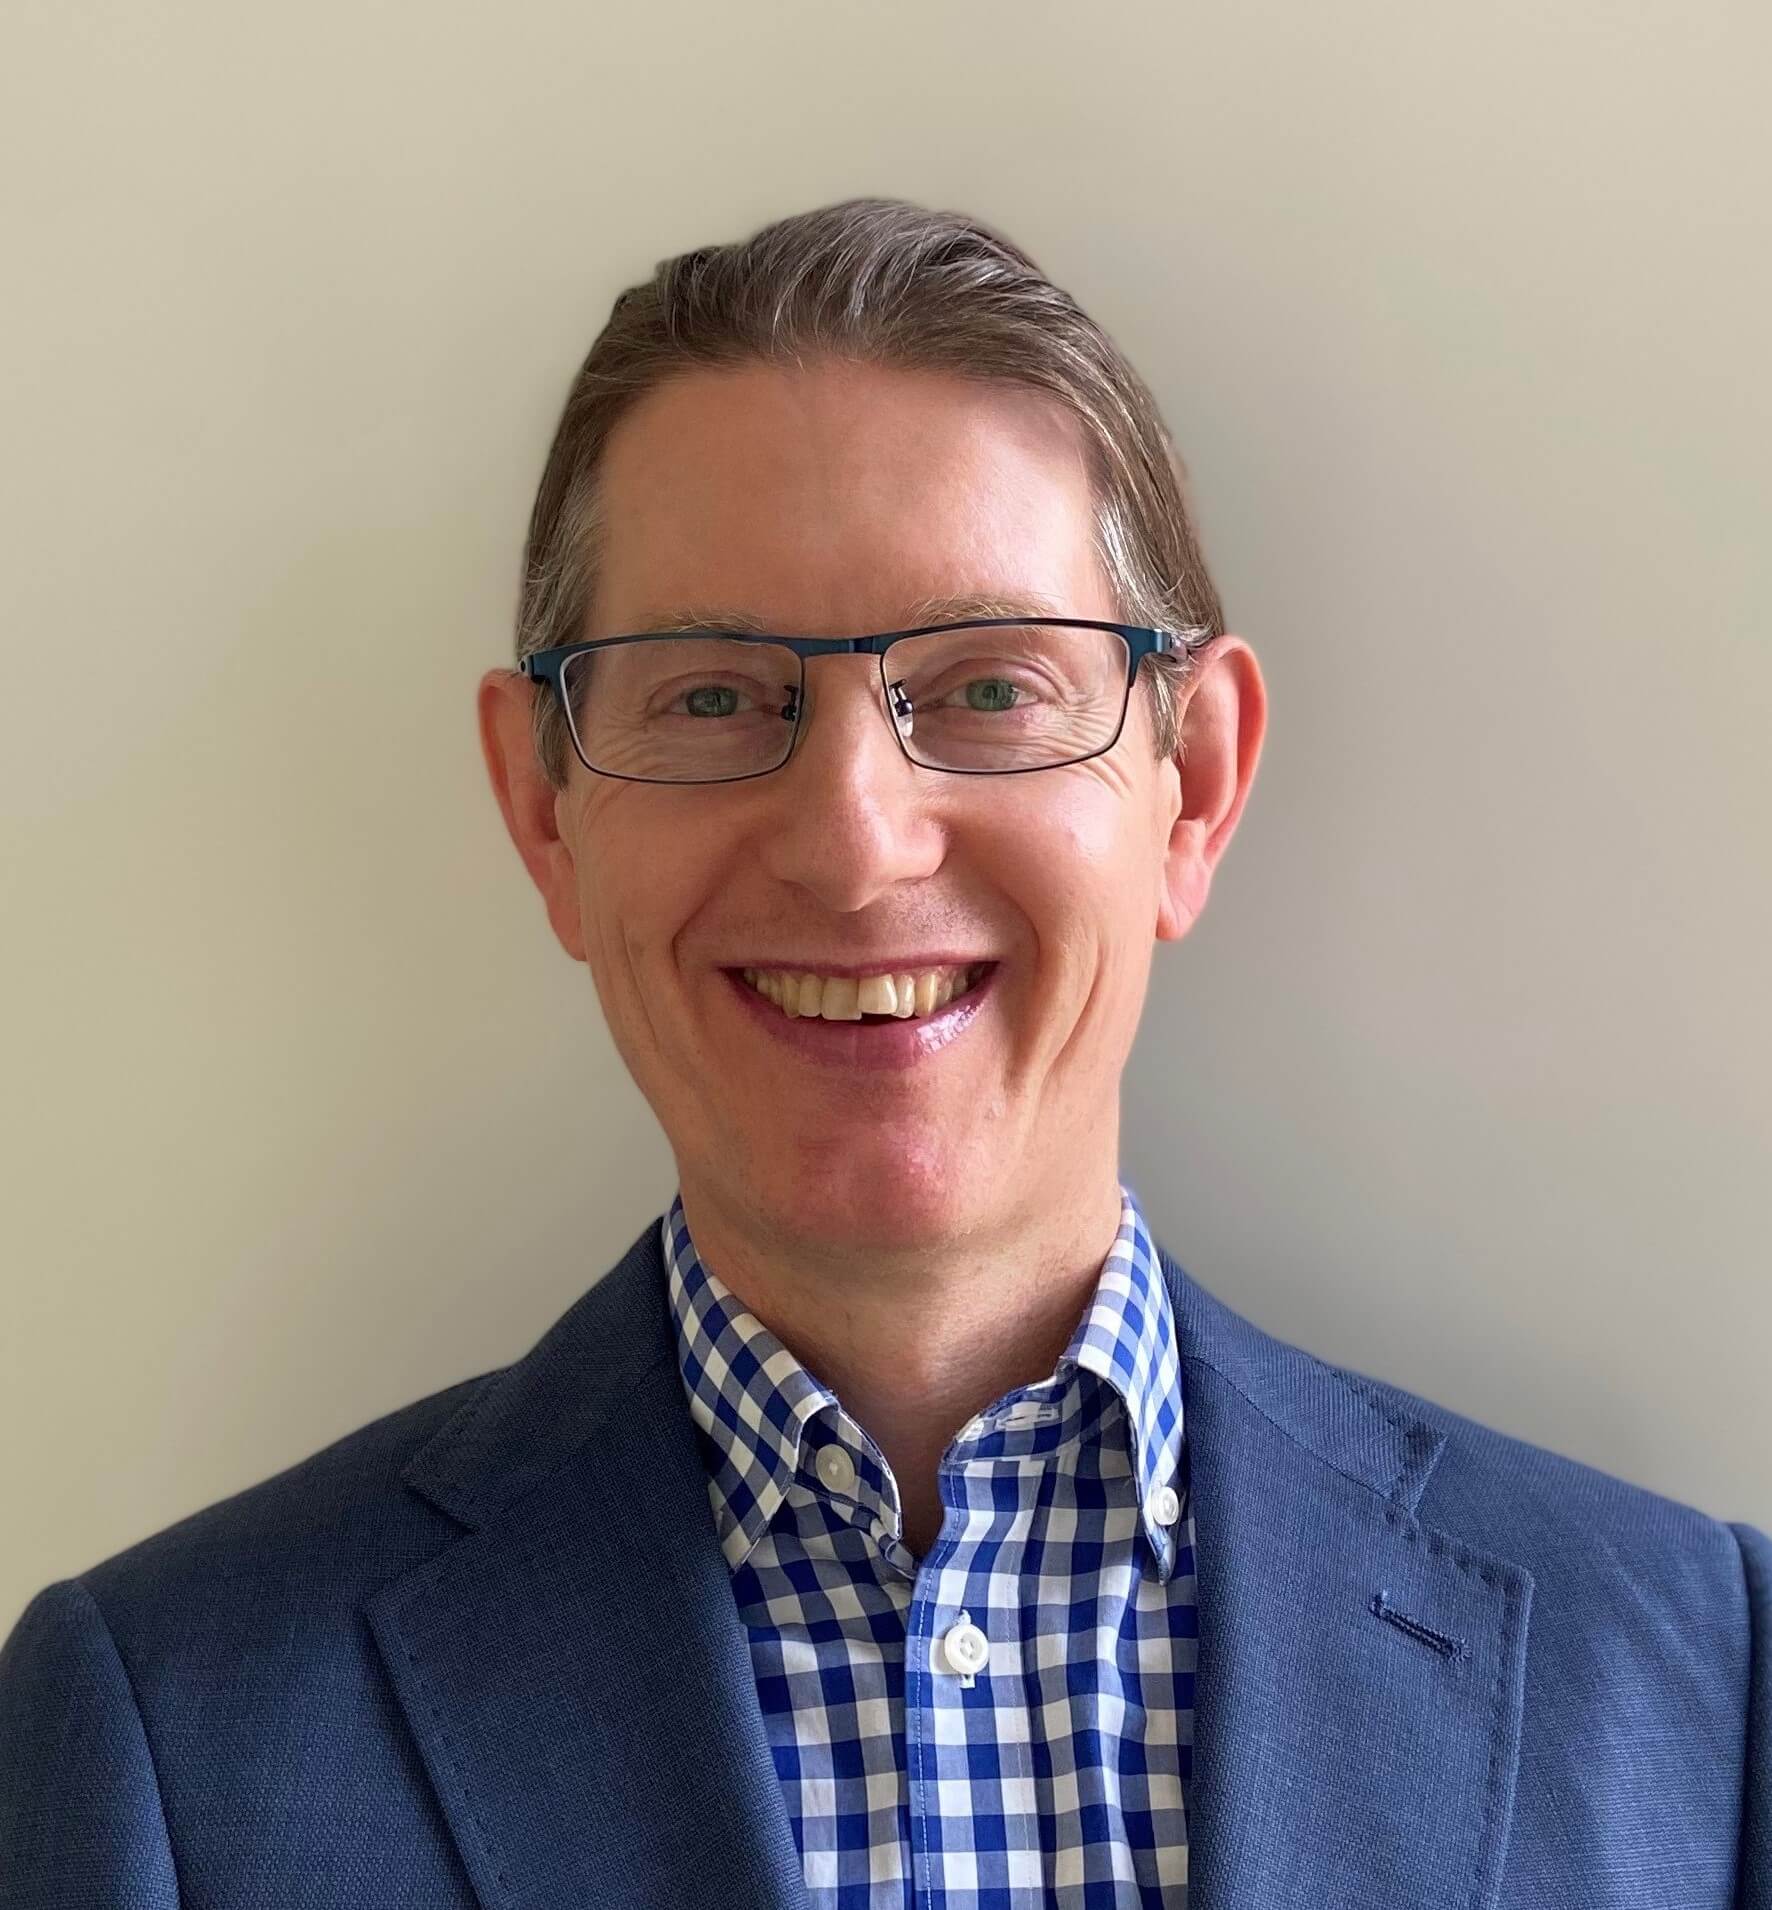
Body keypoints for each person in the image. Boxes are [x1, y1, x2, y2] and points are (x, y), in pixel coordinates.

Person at [1, 196, 1764, 1910]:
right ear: (545, 811)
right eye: (711, 694)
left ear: (1194, 789)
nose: (854, 844)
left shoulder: (1704, 1684)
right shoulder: (167, 1739)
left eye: (991, 687)